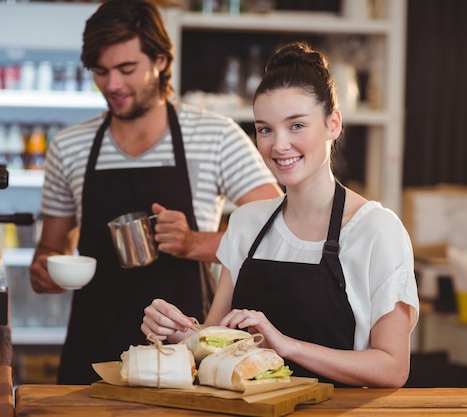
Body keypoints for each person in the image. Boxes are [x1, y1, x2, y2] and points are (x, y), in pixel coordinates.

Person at [29, 0, 282, 385]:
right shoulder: (70, 146)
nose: (112, 85)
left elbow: (275, 235)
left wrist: (194, 242)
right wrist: (46, 271)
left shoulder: (215, 136)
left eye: (126, 69)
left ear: (161, 60)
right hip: (93, 350)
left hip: (187, 351)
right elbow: (50, 249)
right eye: (101, 71)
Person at [142, 41, 420, 388]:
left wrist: (288, 347)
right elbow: (212, 345)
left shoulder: (377, 230)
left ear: (333, 124)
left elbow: (393, 368)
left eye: (297, 126)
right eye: (265, 129)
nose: (279, 145)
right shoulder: (247, 223)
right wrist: (178, 331)